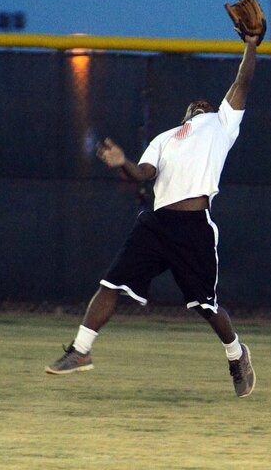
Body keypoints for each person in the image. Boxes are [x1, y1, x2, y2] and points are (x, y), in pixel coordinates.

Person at [46, 34, 259, 398]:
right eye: (195, 104)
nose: (200, 104)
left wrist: (251, 44)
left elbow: (242, 81)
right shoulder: (165, 138)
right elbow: (143, 174)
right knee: (111, 284)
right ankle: (80, 350)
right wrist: (122, 163)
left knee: (207, 306)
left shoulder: (221, 124)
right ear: (186, 113)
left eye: (204, 103)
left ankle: (236, 354)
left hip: (194, 228)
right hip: (157, 224)